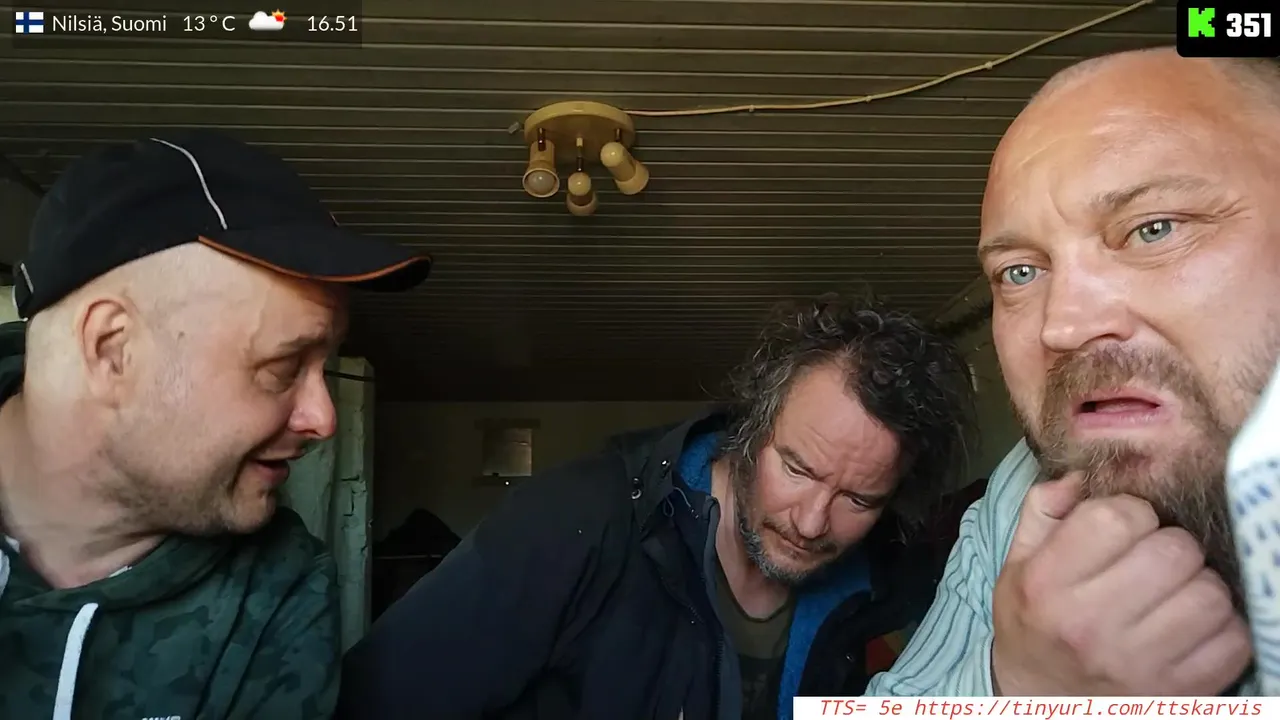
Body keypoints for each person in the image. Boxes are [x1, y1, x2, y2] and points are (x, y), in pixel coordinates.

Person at [336, 294, 977, 720]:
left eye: (859, 498)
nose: (811, 523)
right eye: (797, 468)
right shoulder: (576, 520)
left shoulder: (895, 587)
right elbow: (382, 700)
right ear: (753, 427)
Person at [865, 48, 1280, 697]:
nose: (1062, 327)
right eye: (1020, 272)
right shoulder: (1018, 502)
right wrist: (1021, 688)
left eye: (1153, 228)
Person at [0, 130, 431, 719]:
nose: (323, 419)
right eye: (282, 367)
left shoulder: (281, 588)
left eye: (322, 367)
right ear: (112, 349)